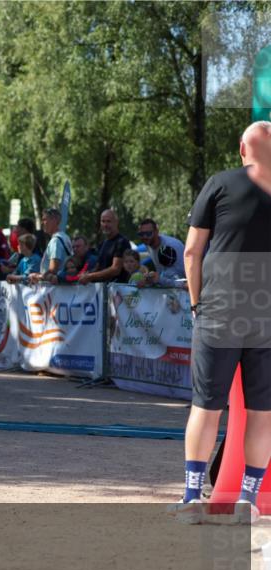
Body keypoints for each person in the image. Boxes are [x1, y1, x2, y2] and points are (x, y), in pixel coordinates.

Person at [173, 121, 271, 524]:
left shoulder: (219, 184)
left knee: (206, 405)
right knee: (262, 412)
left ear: (241, 149)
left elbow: (192, 252)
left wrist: (197, 306)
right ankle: (248, 501)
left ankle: (193, 496)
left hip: (220, 309)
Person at [78, 209, 132, 284]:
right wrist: (84, 275)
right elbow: (98, 267)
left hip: (119, 291)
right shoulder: (103, 243)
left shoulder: (122, 242)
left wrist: (90, 276)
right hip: (102, 291)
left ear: (116, 222)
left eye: (108, 221)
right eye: (103, 221)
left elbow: (115, 269)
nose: (105, 225)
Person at [135, 218, 185, 285]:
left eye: (148, 233)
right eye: (141, 234)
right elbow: (162, 273)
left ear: (157, 232)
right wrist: (149, 280)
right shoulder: (149, 244)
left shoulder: (171, 246)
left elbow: (182, 281)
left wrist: (159, 279)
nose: (145, 237)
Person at [27, 208, 71, 283]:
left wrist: (37, 276)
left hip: (54, 289)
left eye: (45, 219)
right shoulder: (65, 237)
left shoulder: (55, 241)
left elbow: (53, 269)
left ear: (54, 220)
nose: (42, 223)